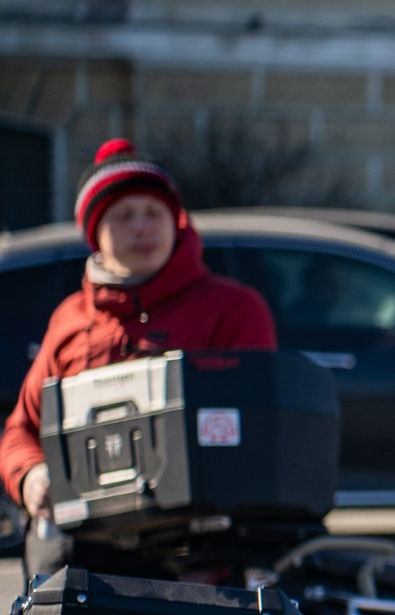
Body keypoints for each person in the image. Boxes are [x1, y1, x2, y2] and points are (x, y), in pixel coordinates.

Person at [2, 139, 276, 526]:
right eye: (124, 215)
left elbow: (260, 434)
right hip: (90, 547)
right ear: (95, 232)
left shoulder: (232, 309)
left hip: (200, 546)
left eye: (153, 212)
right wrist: (30, 476)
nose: (142, 227)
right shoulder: (69, 319)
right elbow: (21, 431)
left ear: (176, 221)